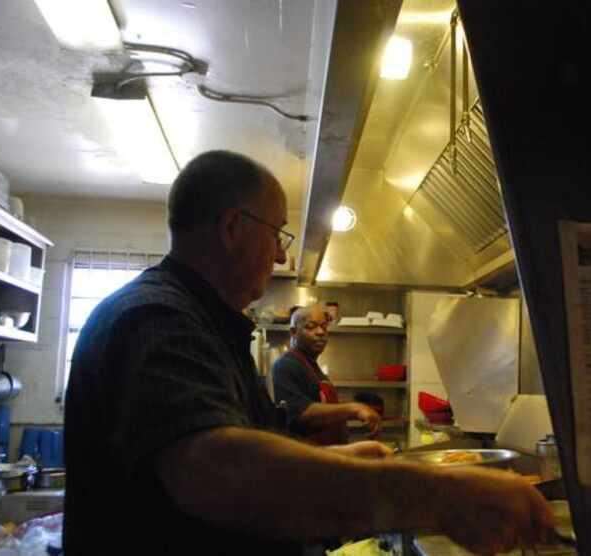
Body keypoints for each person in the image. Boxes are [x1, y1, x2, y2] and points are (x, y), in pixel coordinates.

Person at [63, 150, 554, 555]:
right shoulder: (155, 319)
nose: (280, 254)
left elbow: (244, 443)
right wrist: (443, 497)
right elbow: (220, 472)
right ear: (233, 226)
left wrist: (344, 459)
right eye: (277, 234)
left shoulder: (207, 326)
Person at [272, 304, 381, 445]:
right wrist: (353, 409)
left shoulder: (311, 366)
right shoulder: (286, 365)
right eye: (311, 326)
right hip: (307, 458)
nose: (320, 332)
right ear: (293, 332)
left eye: (324, 327)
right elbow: (301, 413)